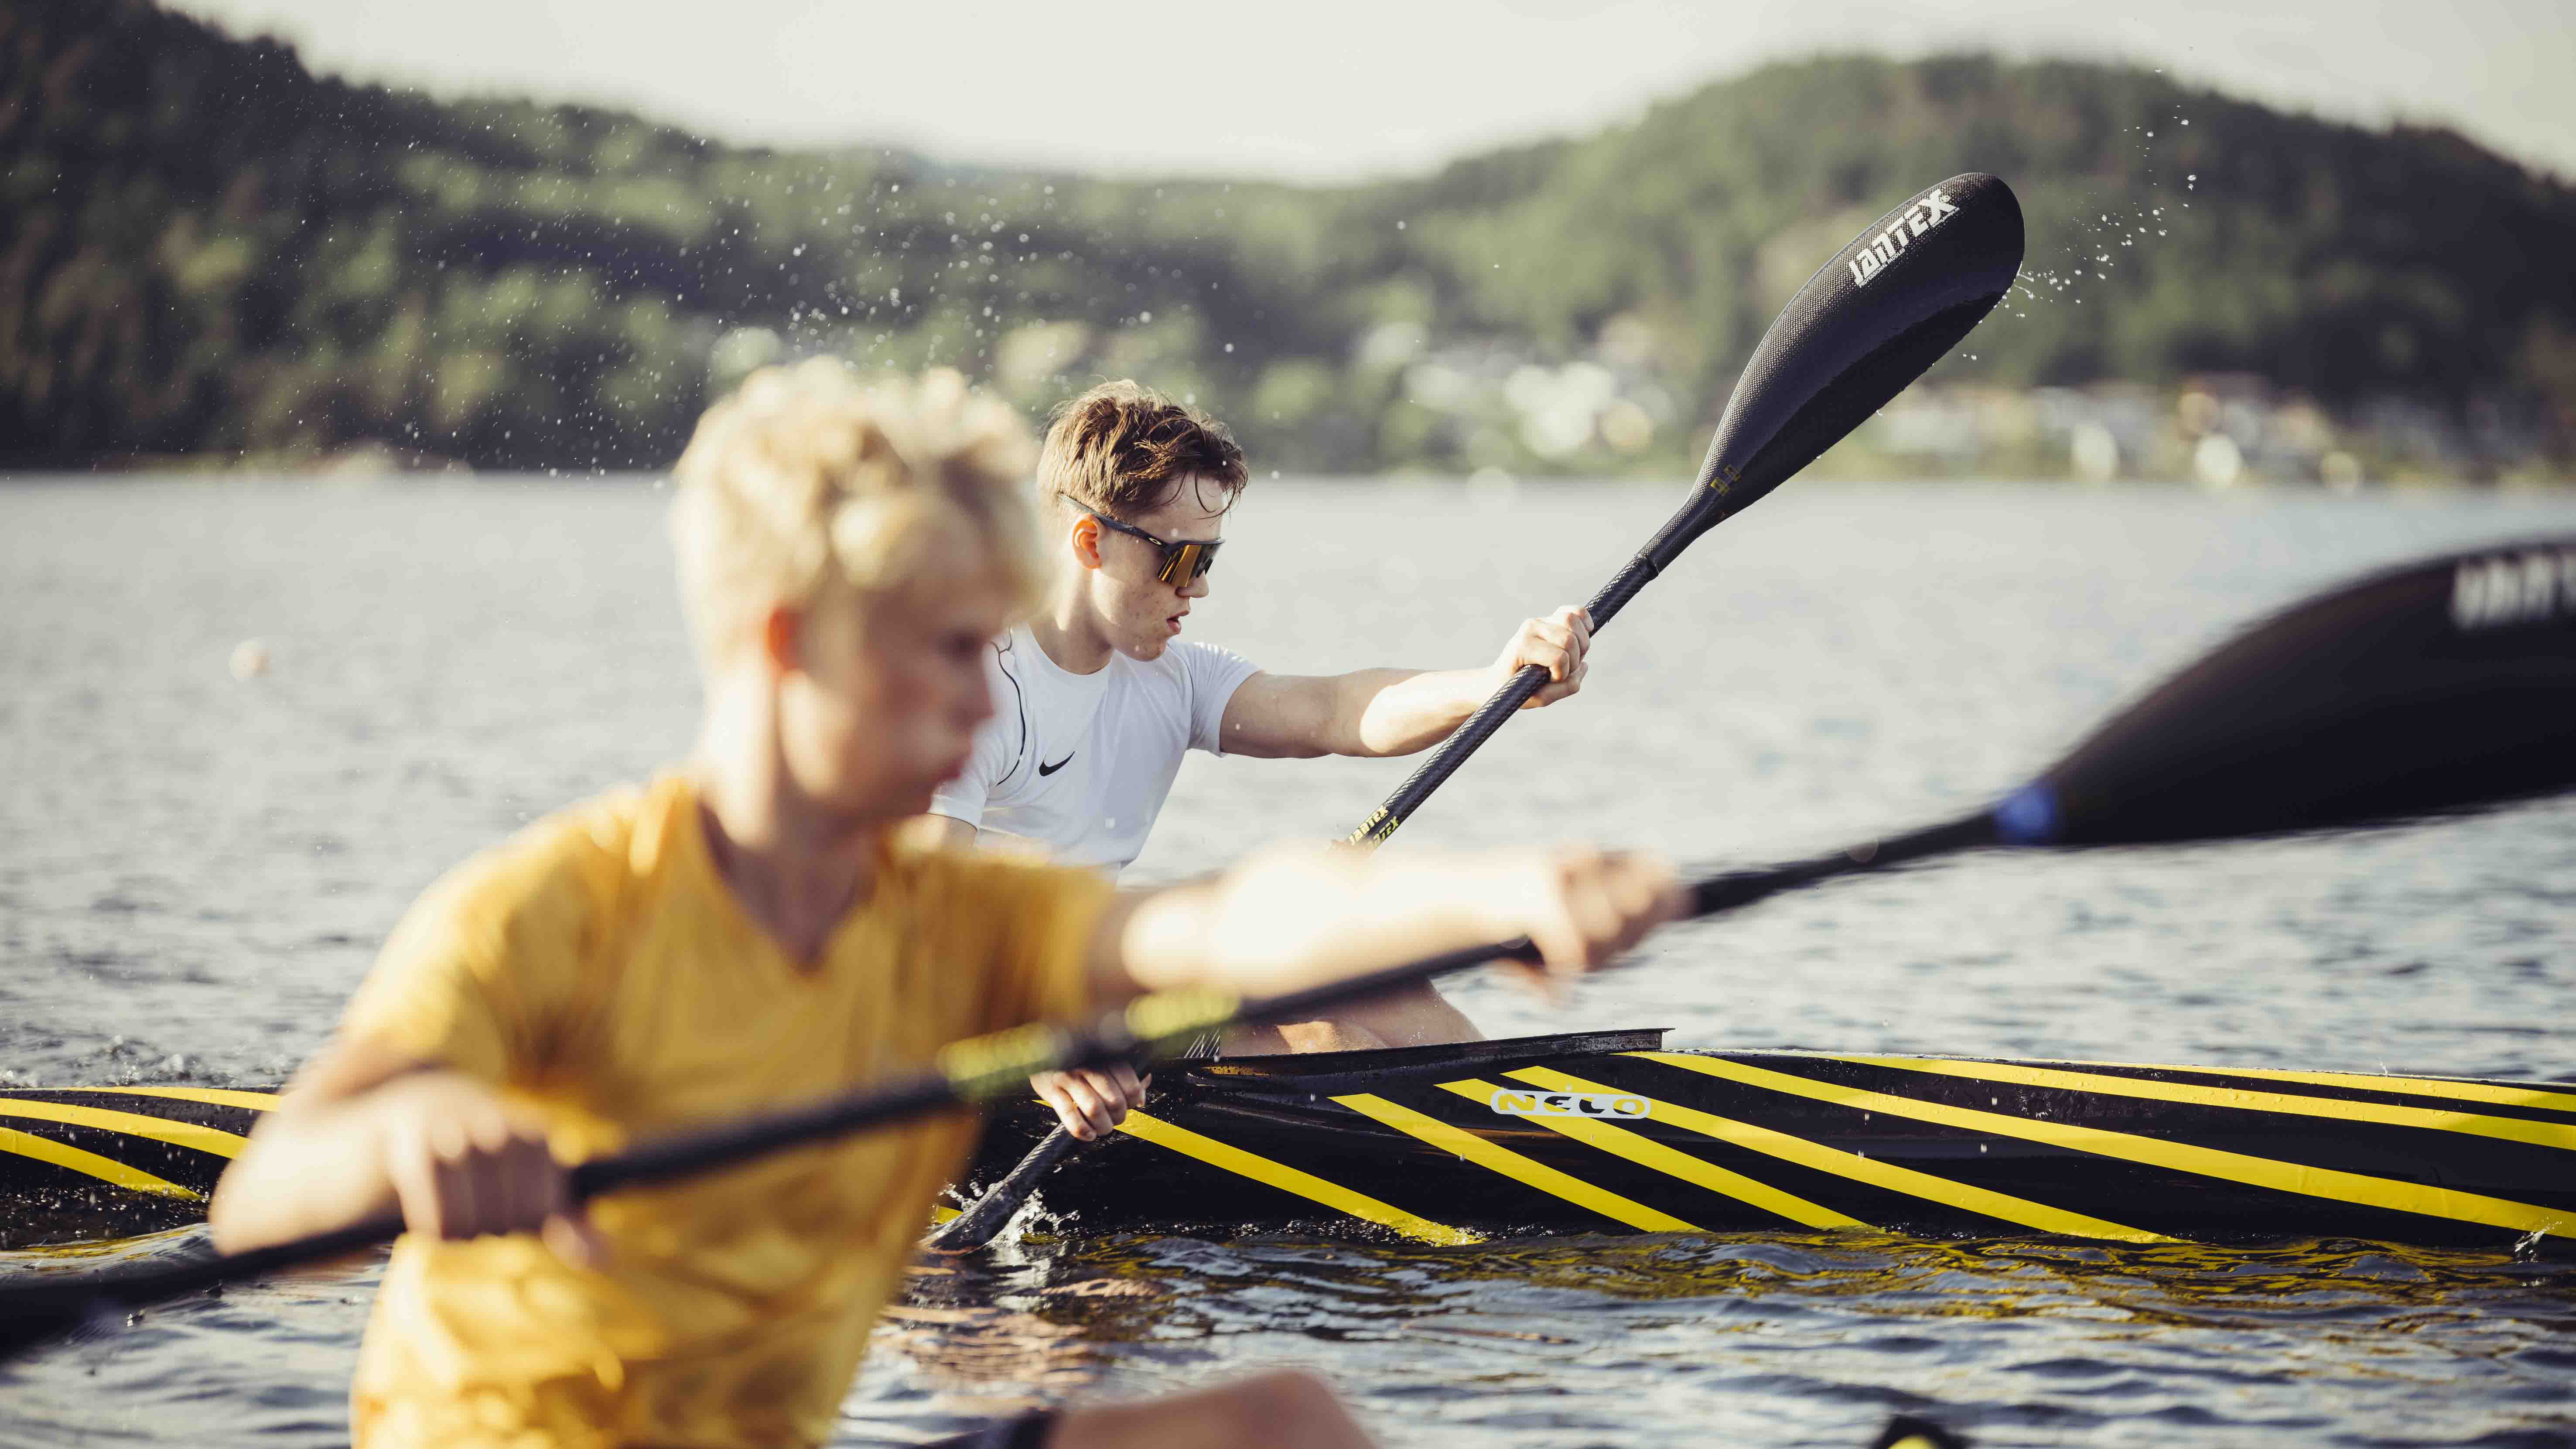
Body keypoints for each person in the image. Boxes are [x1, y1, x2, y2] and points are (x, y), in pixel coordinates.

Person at [206, 362, 1678, 1449]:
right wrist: (412, 1142)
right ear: (796, 646)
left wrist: (1506, 888)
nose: (985, 694)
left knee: (1286, 1422)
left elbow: (1219, 925)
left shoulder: (932, 921)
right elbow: (265, 1198)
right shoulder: (551, 911)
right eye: (946, 651)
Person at [923, 381, 1594, 1074]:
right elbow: (917, 922)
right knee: (1330, 1043)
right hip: (984, 1015)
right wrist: (1039, 1048)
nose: (1199, 587)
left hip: (1103, 984)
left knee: (1388, 990)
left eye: (1209, 561)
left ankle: (1539, 1122)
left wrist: (1492, 686)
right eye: (1181, 559)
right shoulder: (974, 691)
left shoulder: (1173, 678)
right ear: (1091, 542)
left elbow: (1335, 711)